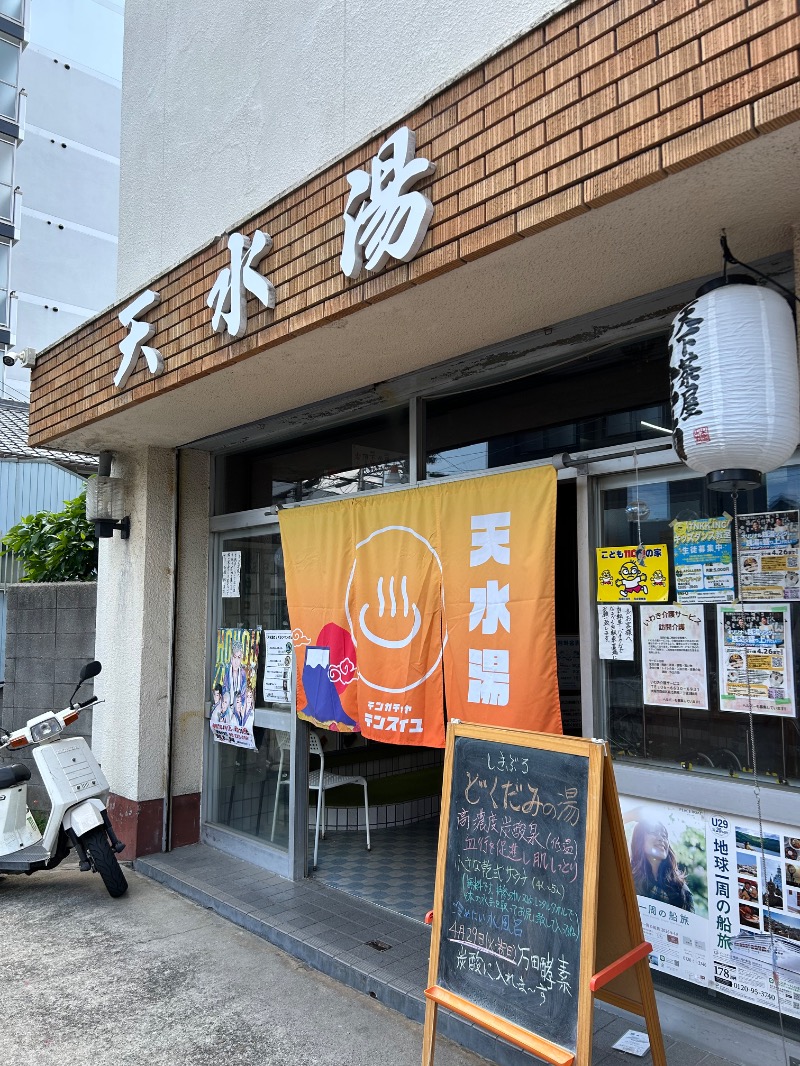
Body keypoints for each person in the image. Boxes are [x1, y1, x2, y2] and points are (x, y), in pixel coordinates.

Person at [629, 818, 694, 912]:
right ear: (639, 838)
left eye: (664, 835)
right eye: (654, 832)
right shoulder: (627, 877)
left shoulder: (680, 888)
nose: (661, 839)